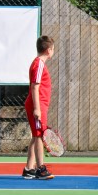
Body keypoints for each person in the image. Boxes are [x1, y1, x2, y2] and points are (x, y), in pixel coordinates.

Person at [21, 35, 55, 180]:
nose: (53, 51)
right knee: (39, 136)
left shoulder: (39, 63)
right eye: (53, 49)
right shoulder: (39, 64)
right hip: (38, 104)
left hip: (40, 104)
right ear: (48, 50)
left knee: (36, 136)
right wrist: (37, 109)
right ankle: (41, 168)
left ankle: (29, 168)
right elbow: (35, 87)